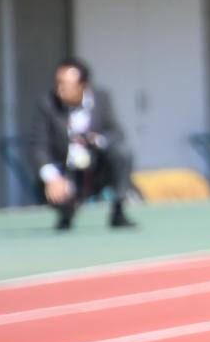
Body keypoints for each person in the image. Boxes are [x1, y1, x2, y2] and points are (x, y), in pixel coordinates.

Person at [33, 58, 137, 232]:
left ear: (83, 85)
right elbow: (39, 144)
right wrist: (52, 177)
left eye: (66, 84)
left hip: (96, 168)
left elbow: (117, 133)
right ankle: (66, 212)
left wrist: (96, 140)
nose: (60, 89)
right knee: (54, 186)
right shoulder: (47, 104)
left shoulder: (102, 99)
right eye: (58, 83)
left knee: (123, 152)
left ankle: (118, 210)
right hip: (67, 171)